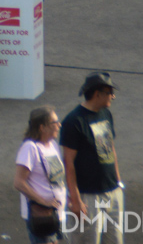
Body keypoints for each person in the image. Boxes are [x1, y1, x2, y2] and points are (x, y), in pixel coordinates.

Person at [60, 73, 122, 235]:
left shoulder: (105, 114)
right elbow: (68, 163)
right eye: (110, 93)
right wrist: (76, 199)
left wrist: (118, 182)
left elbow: (109, 149)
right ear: (97, 94)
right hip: (88, 197)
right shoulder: (74, 121)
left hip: (112, 192)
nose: (113, 97)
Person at [14, 106, 67, 244]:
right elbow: (19, 182)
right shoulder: (30, 148)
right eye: (55, 122)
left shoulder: (53, 145)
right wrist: (42, 200)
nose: (59, 125)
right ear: (42, 127)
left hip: (56, 213)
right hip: (41, 216)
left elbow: (56, 179)